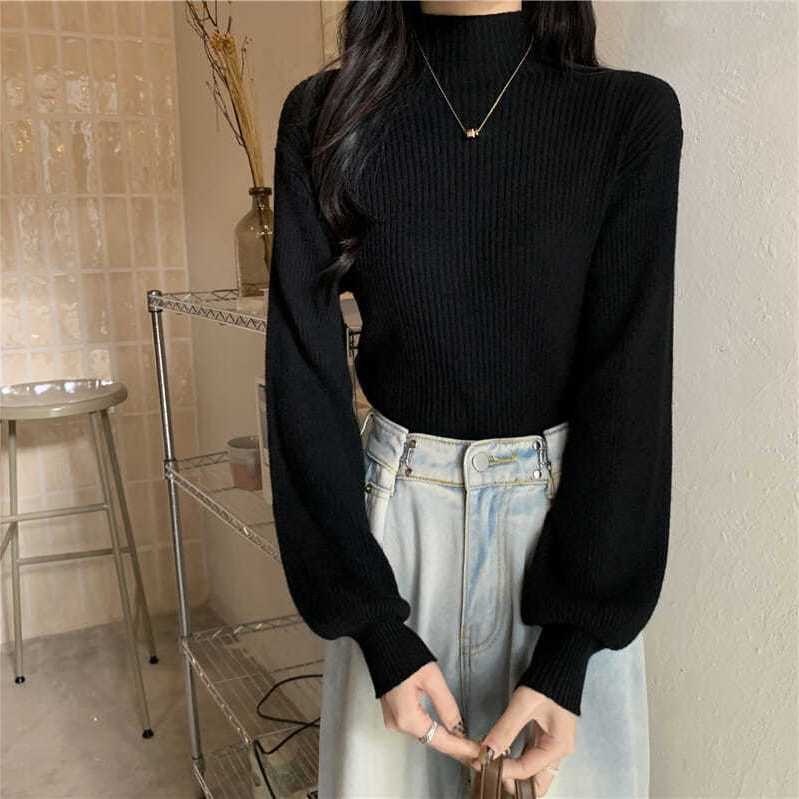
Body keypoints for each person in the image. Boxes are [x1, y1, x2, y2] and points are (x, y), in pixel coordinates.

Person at [264, 1, 684, 796]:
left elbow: (629, 384)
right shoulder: (326, 116)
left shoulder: (628, 117)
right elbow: (302, 382)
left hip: (564, 539)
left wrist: (570, 648)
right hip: (394, 540)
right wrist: (373, 627)